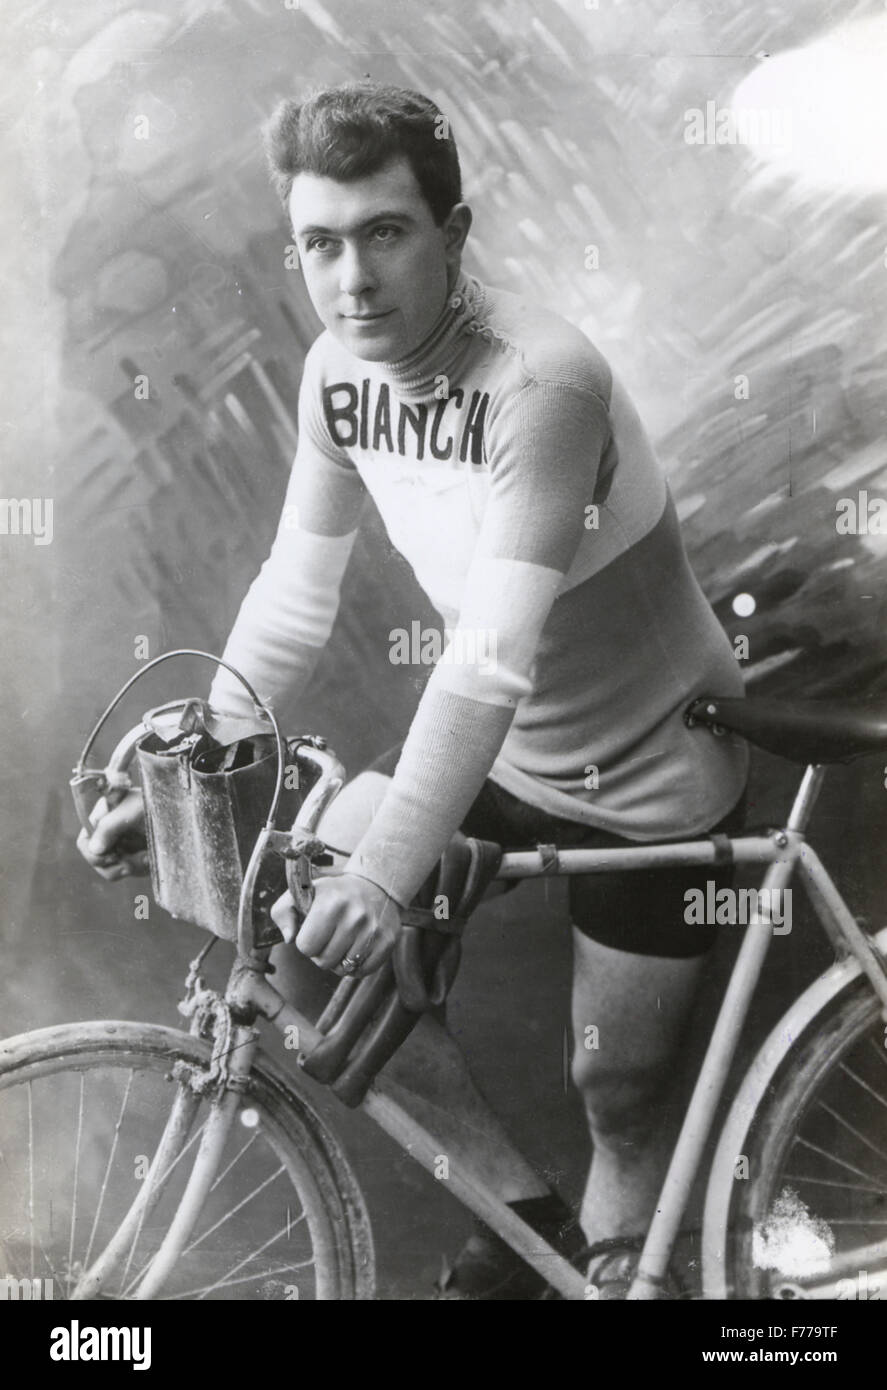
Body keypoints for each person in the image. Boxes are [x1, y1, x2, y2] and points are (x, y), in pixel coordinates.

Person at [78, 80, 748, 1299]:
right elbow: (293, 593)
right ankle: (523, 1235)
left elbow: (487, 657)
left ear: (453, 232)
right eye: (319, 245)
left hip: (653, 770)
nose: (351, 281)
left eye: (384, 233)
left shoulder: (541, 387)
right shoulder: (338, 374)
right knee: (293, 929)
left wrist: (391, 875)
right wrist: (188, 770)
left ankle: (618, 1270)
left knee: (617, 1090)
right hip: (499, 757)